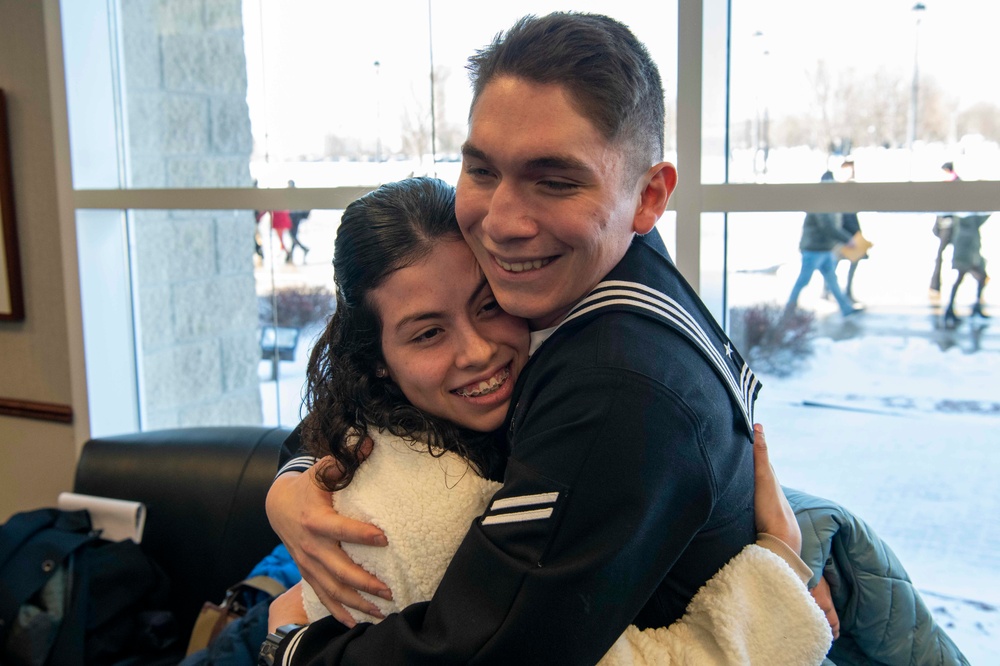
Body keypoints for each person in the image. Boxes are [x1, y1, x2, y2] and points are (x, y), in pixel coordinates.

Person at [264, 13, 805, 663]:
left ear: (649, 196)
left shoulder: (611, 390)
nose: (501, 223)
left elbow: (485, 652)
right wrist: (292, 479)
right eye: (484, 171)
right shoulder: (599, 265)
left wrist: (291, 650)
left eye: (555, 181)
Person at [785, 171, 864, 318]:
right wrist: (847, 240)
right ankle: (789, 309)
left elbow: (836, 224)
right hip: (813, 249)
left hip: (825, 249)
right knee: (803, 280)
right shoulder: (819, 203)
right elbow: (828, 227)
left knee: (832, 281)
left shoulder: (830, 202)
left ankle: (846, 308)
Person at [943, 213, 992, 328]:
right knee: (962, 278)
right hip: (965, 251)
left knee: (981, 277)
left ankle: (975, 306)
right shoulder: (964, 216)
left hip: (971, 250)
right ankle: (951, 309)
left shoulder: (966, 216)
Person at [930, 162, 962, 296]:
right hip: (945, 226)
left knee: (961, 258)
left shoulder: (956, 184)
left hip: (953, 226)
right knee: (940, 256)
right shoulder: (946, 184)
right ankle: (935, 285)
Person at [286, 180, 311, 264]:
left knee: (293, 236)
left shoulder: (291, 193)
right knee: (293, 236)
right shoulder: (297, 193)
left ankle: (303, 249)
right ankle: (291, 255)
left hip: (293, 217)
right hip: (296, 217)